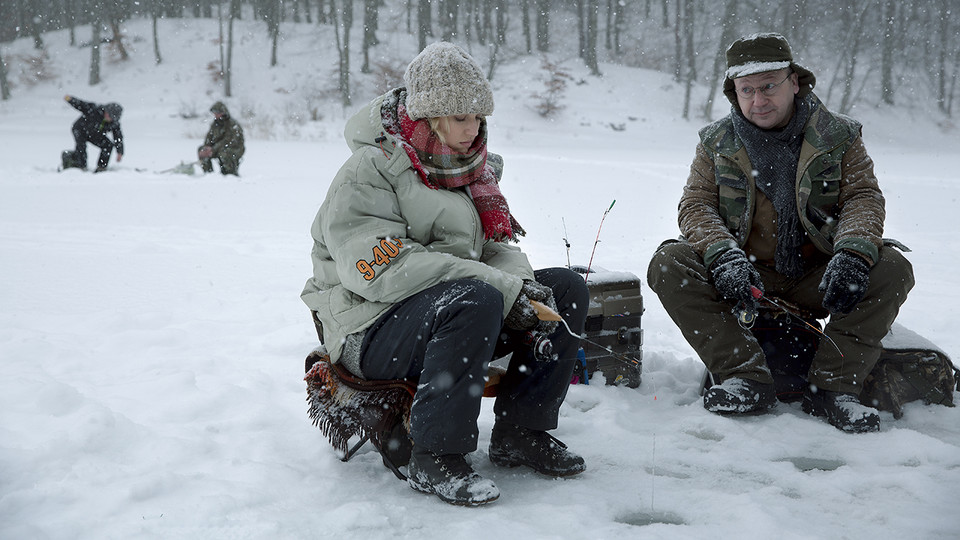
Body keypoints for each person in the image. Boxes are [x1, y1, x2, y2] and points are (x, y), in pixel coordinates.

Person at [301, 42, 588, 506]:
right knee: (477, 297)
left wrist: (523, 287)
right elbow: (380, 267)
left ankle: (522, 431)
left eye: (478, 117)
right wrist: (501, 289)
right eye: (460, 118)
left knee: (565, 289)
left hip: (450, 312)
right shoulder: (370, 170)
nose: (472, 129)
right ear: (430, 116)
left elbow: (494, 248)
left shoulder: (470, 170)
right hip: (367, 325)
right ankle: (435, 455)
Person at [647, 33, 914, 433]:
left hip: (817, 274)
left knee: (891, 267)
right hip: (748, 276)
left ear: (794, 82)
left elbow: (863, 198)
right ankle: (745, 377)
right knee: (670, 263)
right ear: (734, 93)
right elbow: (696, 206)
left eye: (769, 85)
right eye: (747, 90)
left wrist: (852, 254)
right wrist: (723, 256)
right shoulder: (717, 142)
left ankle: (834, 388)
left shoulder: (838, 136)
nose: (758, 100)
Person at [63, 95, 124, 172]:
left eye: (112, 117)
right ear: (106, 110)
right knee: (81, 147)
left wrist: (120, 151)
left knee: (108, 145)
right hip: (80, 129)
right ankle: (81, 167)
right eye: (109, 115)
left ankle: (101, 167)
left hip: (96, 134)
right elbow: (81, 104)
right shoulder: (94, 109)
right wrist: (70, 99)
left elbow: (118, 137)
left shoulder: (114, 123)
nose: (109, 118)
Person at [198, 101, 245, 176]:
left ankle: (229, 174)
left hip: (235, 148)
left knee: (223, 153)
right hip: (219, 148)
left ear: (223, 112)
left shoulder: (232, 124)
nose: (215, 115)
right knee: (202, 150)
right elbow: (209, 137)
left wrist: (213, 149)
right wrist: (207, 148)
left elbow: (229, 141)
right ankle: (209, 174)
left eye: (217, 113)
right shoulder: (215, 124)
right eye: (214, 113)